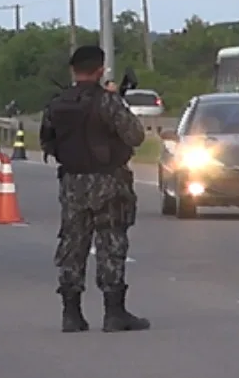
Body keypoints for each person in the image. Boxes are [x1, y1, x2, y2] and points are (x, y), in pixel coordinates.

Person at [40, 45, 150, 334]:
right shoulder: (107, 102)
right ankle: (114, 313)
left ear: (73, 70)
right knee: (111, 243)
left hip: (72, 183)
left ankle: (71, 314)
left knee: (72, 245)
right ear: (100, 69)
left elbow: (47, 141)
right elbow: (136, 136)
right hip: (108, 181)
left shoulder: (57, 103)